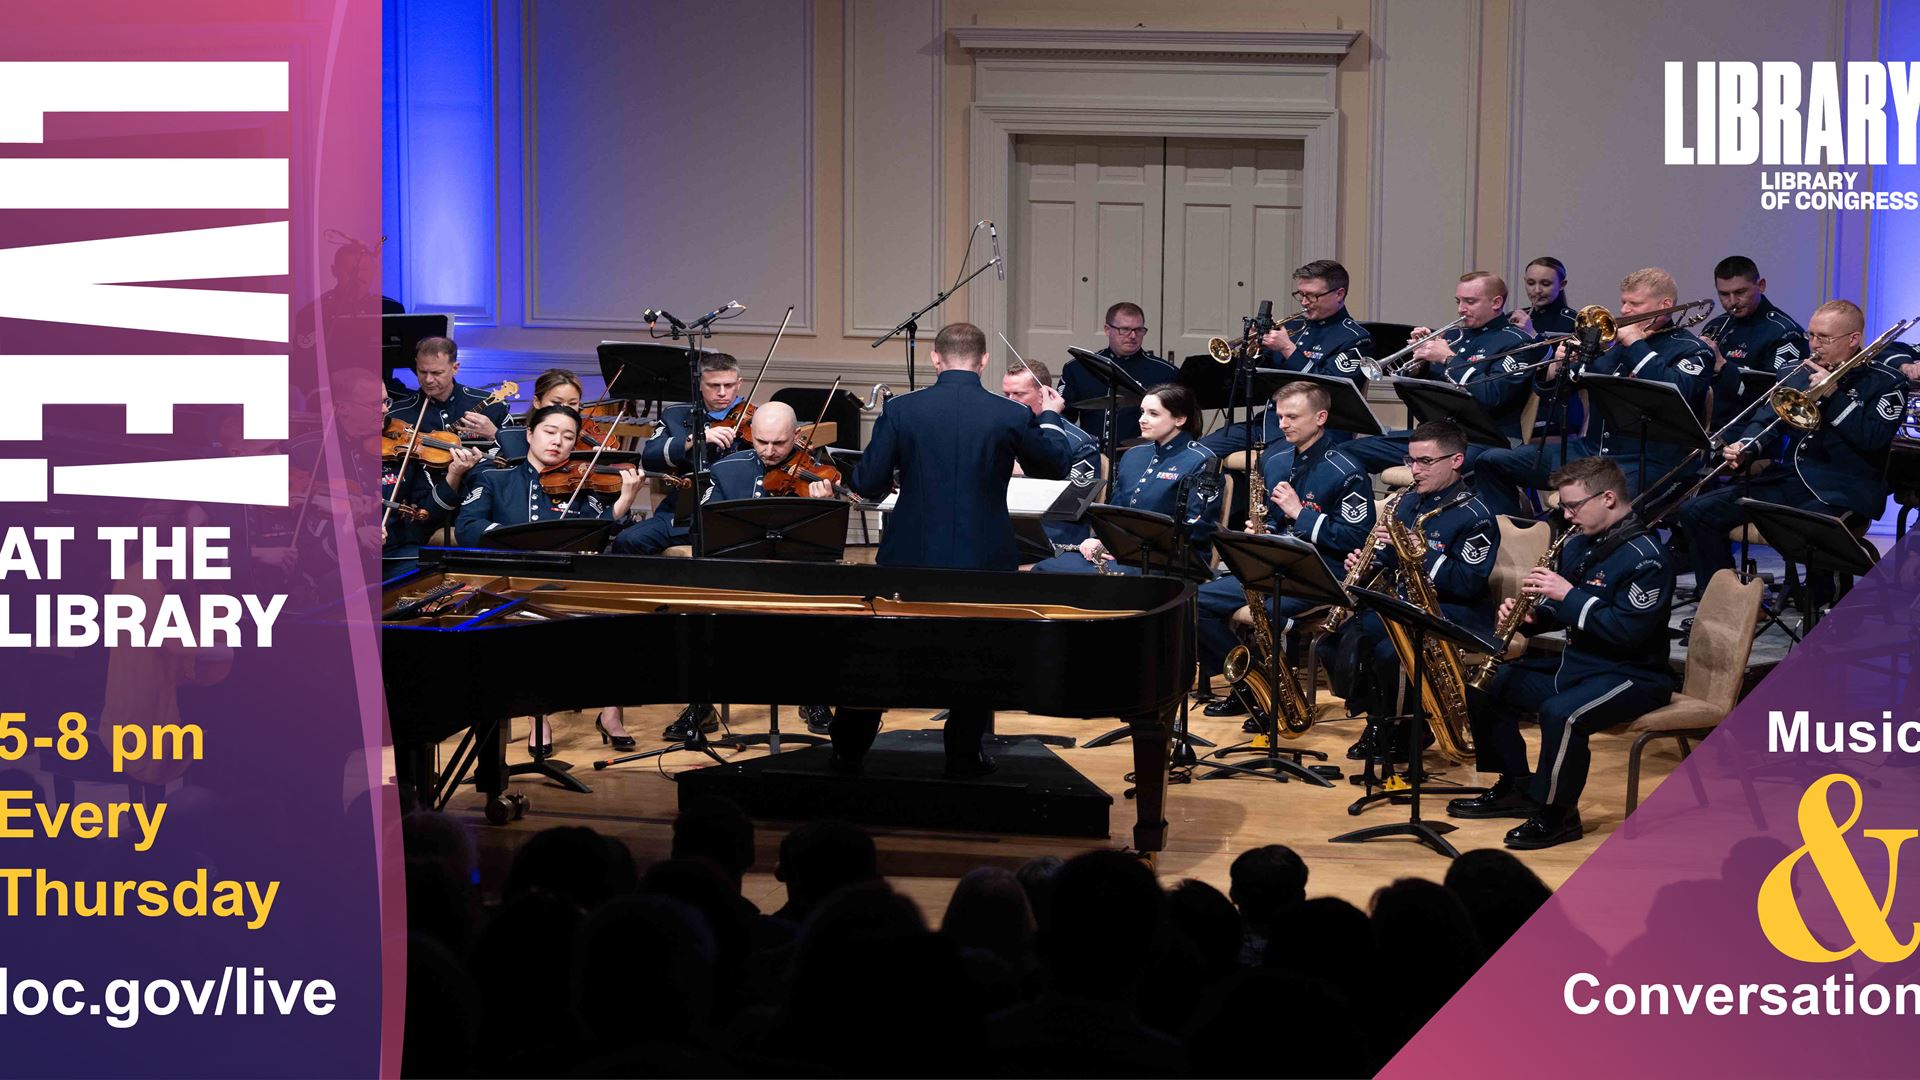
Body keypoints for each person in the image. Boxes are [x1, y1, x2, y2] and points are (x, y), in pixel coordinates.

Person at [831, 322, 1071, 776]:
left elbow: (867, 483)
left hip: (909, 555)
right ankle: (964, 752)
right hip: (986, 556)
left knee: (886, 651)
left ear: (935, 359)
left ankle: (849, 748)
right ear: (983, 362)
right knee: (977, 652)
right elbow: (1055, 464)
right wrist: (1051, 417)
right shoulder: (1010, 414)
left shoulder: (902, 410)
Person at [1449, 455, 1673, 850]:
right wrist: (1531, 617)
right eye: (1564, 507)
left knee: (1563, 715)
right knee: (1488, 683)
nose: (1567, 516)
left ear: (1607, 498)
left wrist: (1567, 595)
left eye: (1573, 506)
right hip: (1581, 666)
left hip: (1633, 675)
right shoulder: (1581, 542)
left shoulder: (1646, 557)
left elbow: (1627, 632)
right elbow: (1565, 611)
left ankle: (1558, 814)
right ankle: (1516, 785)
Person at [1676, 299, 1904, 602]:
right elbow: (1768, 419)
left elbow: (1873, 439)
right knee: (1696, 511)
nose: (1814, 345)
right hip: (1788, 480)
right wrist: (1746, 446)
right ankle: (1724, 602)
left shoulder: (1887, 382)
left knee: (1812, 530)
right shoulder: (1800, 372)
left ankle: (1826, 606)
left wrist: (1834, 394)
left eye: (1824, 338)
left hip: (1842, 488)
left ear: (1853, 339)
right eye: (1811, 335)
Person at [453, 405, 645, 752]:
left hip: (568, 582)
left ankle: (611, 714)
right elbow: (468, 529)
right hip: (512, 584)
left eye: (568, 436)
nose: (558, 442)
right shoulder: (494, 478)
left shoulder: (584, 487)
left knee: (617, 623)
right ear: (529, 434)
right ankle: (537, 717)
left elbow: (596, 535)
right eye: (550, 432)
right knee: (530, 628)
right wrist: (519, 540)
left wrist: (623, 502)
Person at [1473, 267, 1715, 519]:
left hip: (1649, 462)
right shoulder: (1611, 346)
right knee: (1491, 461)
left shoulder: (1692, 350)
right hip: (1591, 453)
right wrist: (1558, 367)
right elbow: (1555, 393)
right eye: (1623, 302)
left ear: (1665, 305)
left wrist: (1637, 345)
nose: (1624, 311)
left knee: (1603, 505)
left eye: (1635, 304)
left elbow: (1679, 390)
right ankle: (1515, 539)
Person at [1321, 420, 1498, 762]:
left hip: (1452, 610)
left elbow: (1467, 582)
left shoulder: (1476, 515)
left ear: (1456, 461)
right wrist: (1368, 564)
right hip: (1405, 603)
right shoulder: (1406, 502)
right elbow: (1389, 559)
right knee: (1342, 637)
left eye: (1425, 462)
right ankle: (1376, 719)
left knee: (1391, 652)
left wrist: (1423, 553)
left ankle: (1407, 730)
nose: (1415, 470)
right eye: (1411, 461)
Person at [1197, 381, 1372, 721]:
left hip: (1321, 573)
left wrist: (1300, 514)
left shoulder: (1347, 470)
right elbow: (1270, 517)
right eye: (1280, 417)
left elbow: (1354, 539)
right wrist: (1261, 530)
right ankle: (1249, 685)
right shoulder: (1274, 456)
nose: (1283, 424)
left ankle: (1279, 698)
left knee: (1269, 612)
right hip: (1270, 565)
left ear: (1320, 418)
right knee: (1195, 602)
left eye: (1293, 417)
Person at [1340, 271, 1536, 476]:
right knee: (1346, 453)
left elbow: (1492, 395)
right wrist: (1419, 363)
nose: (1461, 309)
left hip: (1485, 442)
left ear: (1496, 302)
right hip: (1439, 436)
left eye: (1470, 302)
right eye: (1458, 301)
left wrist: (1448, 359)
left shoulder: (1518, 342)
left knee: (1432, 470)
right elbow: (1425, 392)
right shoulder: (1452, 336)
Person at [1028, 383, 1221, 575]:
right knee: (1046, 567)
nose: (1142, 420)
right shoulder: (1134, 455)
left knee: (1100, 579)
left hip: (1171, 558)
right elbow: (1114, 511)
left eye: (1153, 414)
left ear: (1179, 419)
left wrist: (1130, 546)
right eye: (1142, 412)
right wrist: (1099, 538)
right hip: (1123, 551)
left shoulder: (1201, 460)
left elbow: (1198, 528)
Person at [1199, 259, 1374, 461]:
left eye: (1313, 295)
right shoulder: (1295, 327)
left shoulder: (1356, 338)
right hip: (1269, 424)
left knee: (1271, 464)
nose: (1304, 302)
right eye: (1301, 294)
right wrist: (1253, 352)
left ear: (1339, 294)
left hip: (1316, 432)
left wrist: (1288, 349)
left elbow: (1331, 390)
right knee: (1197, 452)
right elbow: (1256, 383)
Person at [608, 353, 753, 560]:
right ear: (699, 384)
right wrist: (693, 439)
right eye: (714, 385)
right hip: (683, 515)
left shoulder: (755, 419)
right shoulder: (676, 415)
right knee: (628, 540)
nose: (722, 393)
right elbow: (650, 457)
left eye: (729, 385)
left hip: (733, 515)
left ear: (739, 384)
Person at [1003, 357, 1103, 557]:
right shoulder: (1003, 432)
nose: (1010, 401)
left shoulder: (1080, 442)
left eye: (1018, 394)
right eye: (1006, 394)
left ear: (1045, 394)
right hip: (1007, 528)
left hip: (1055, 534)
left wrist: (1023, 474)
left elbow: (1071, 504)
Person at [1700, 256, 1808, 428]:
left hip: (1749, 430)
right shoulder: (1716, 325)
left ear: (1761, 285)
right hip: (1709, 425)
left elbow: (1776, 398)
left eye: (1740, 292)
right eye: (1724, 294)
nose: (1733, 301)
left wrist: (1722, 366)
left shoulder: (1785, 332)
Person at [1059, 301, 1178, 455]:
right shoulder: (1078, 368)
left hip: (1145, 456)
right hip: (1090, 455)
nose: (1133, 336)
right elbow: (1063, 417)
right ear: (1107, 329)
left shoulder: (1165, 372)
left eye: (1139, 330)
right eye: (1125, 329)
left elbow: (1178, 422)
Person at [386, 337, 511, 441]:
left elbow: (516, 455)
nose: (428, 380)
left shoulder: (493, 406)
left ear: (455, 368)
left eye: (437, 373)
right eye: (422, 371)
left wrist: (493, 434)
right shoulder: (397, 415)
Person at [494, 368, 588, 458]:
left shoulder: (584, 440)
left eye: (572, 403)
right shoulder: (513, 438)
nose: (565, 409)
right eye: (556, 402)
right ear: (537, 402)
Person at [1513, 256, 1575, 337]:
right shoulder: (1513, 317)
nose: (1537, 290)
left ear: (1562, 285)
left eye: (1545, 284)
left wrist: (1532, 333)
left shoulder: (1573, 322)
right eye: (1531, 283)